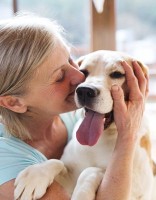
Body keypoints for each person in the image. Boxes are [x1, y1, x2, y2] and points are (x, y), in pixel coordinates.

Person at [0, 13, 148, 200]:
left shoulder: (74, 117)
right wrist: (127, 136)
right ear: (14, 102)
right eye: (59, 77)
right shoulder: (4, 159)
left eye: (71, 61)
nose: (80, 78)